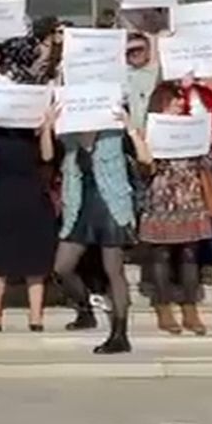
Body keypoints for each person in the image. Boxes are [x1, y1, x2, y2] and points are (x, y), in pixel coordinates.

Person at [42, 103, 147, 354]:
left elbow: (146, 158)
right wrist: (48, 125)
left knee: (114, 270)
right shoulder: (69, 136)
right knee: (61, 267)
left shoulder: (114, 133)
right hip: (80, 206)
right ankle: (84, 309)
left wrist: (131, 129)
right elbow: (46, 156)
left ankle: (120, 334)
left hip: (112, 206)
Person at [136, 83, 212, 336]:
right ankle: (163, 306)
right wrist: (141, 142)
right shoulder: (148, 131)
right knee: (160, 255)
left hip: (190, 199)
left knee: (189, 254)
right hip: (161, 200)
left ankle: (190, 307)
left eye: (180, 102)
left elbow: (206, 164)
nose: (179, 105)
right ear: (162, 103)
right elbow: (143, 170)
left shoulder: (192, 127)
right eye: (174, 101)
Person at [0, 108, 57, 332]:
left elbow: (47, 157)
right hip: (1, 199)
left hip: (33, 198)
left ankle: (36, 316)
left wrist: (47, 127)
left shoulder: (32, 132)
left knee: (35, 260)